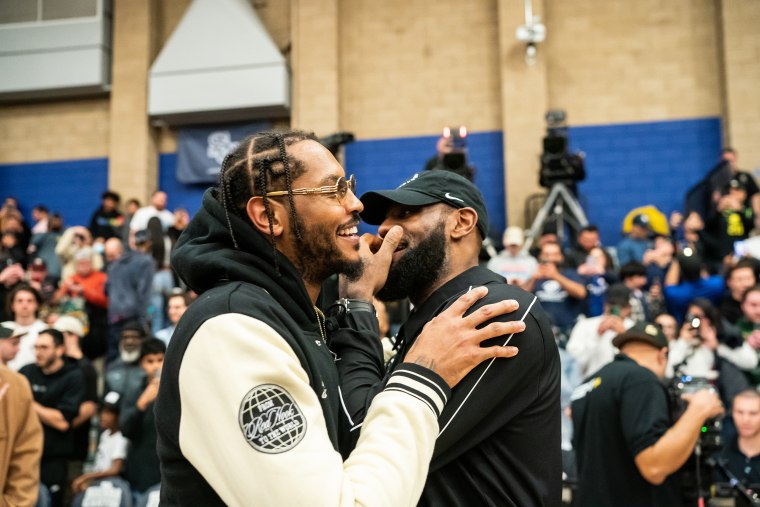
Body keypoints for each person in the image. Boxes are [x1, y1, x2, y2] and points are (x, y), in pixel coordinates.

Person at [154, 129, 522, 506]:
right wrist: (424, 373)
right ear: (268, 216)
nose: (357, 205)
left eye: (349, 186)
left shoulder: (293, 316)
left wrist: (357, 301)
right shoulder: (232, 329)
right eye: (333, 191)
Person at [342, 169, 561, 505]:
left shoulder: (495, 311)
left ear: (461, 223)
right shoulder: (431, 319)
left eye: (404, 213)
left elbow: (362, 440)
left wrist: (357, 303)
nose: (384, 229)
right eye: (384, 219)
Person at [571, 322, 725, 506]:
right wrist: (699, 410)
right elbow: (654, 467)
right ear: (662, 355)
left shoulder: (588, 384)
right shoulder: (641, 379)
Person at [20, 329, 85, 507]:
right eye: (36, 347)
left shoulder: (73, 376)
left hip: (54, 458)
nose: (38, 352)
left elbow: (62, 422)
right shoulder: (26, 372)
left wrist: (28, 403)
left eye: (44, 347)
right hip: (25, 456)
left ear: (59, 350)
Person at [0, 324, 43, 507]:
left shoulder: (16, 384)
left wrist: (15, 503)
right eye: (13, 343)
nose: (17, 348)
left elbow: (26, 451)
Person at [121, 339, 165, 501]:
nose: (155, 366)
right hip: (139, 473)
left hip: (166, 473)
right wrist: (142, 403)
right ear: (142, 364)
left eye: (160, 360)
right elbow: (125, 429)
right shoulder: (133, 391)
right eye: (150, 361)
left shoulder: (177, 390)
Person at [566, 284, 634, 378]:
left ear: (628, 308)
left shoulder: (633, 327)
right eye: (612, 305)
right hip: (591, 383)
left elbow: (640, 362)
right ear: (605, 305)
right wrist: (597, 336)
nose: (615, 309)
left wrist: (624, 337)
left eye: (621, 306)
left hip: (624, 383)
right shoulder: (585, 325)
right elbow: (573, 363)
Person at [70, 391, 129, 499]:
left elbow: (115, 469)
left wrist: (86, 477)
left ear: (118, 416)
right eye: (101, 411)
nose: (102, 416)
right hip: (98, 483)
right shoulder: (105, 434)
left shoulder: (121, 437)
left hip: (112, 487)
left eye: (108, 413)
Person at [523, 240, 587, 338]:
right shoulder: (534, 274)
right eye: (547, 254)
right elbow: (520, 297)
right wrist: (533, 279)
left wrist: (555, 276)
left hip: (567, 330)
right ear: (540, 256)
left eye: (555, 254)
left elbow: (581, 293)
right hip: (538, 330)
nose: (551, 258)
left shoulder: (569, 273)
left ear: (561, 256)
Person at [104, 238, 154, 362]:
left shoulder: (114, 266)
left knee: (116, 356)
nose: (108, 259)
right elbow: (145, 293)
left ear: (120, 251)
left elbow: (106, 290)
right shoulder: (145, 261)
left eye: (111, 256)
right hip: (132, 318)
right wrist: (145, 318)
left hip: (119, 318)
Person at [716, 389, 760, 503]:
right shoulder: (719, 454)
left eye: (753, 413)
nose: (746, 420)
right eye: (740, 412)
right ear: (732, 413)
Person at [4, 284, 48, 371]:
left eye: (29, 301)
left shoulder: (46, 330)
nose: (24, 305)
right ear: (12, 305)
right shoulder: (3, 328)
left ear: (37, 305)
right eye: (20, 301)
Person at [722, 259, 759, 325]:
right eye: (739, 279)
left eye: (748, 278)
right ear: (729, 282)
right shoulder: (725, 310)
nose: (745, 284)